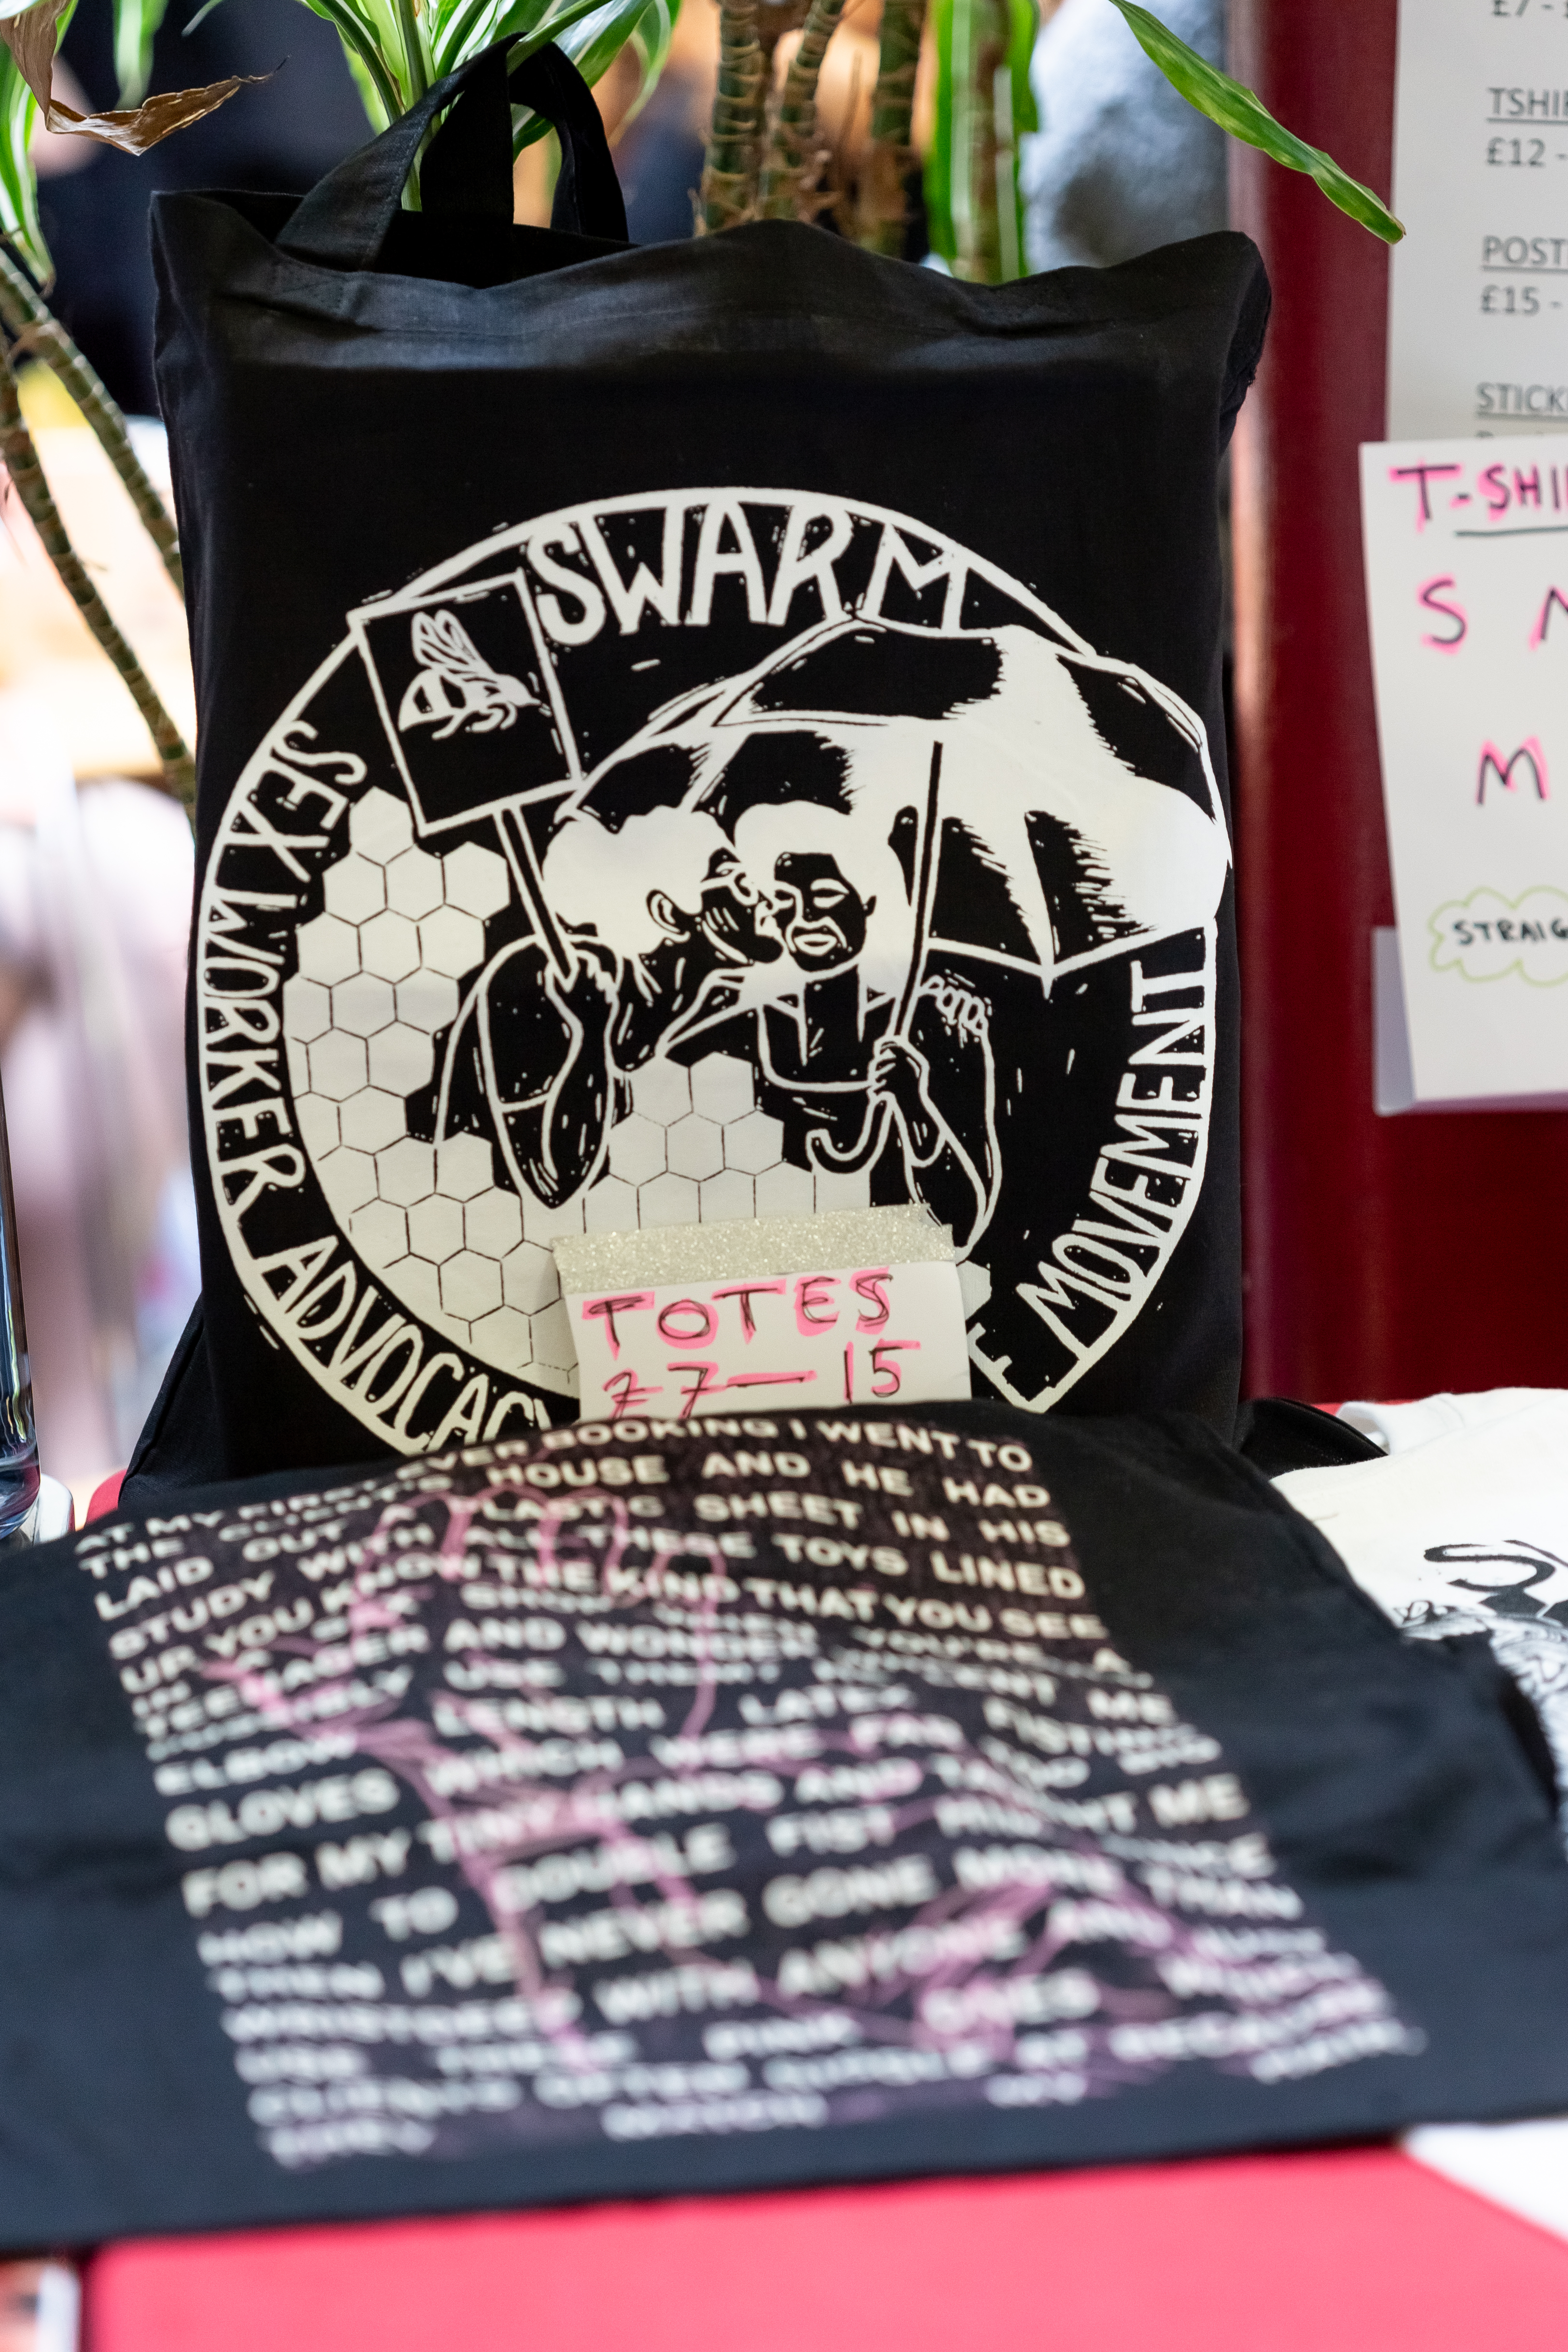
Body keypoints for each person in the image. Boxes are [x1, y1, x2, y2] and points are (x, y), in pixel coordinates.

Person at [436, 803, 780, 1204]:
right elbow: (551, 1180)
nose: (766, 899)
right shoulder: (541, 979)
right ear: (669, 913)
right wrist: (590, 1034)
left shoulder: (708, 997)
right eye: (740, 883)